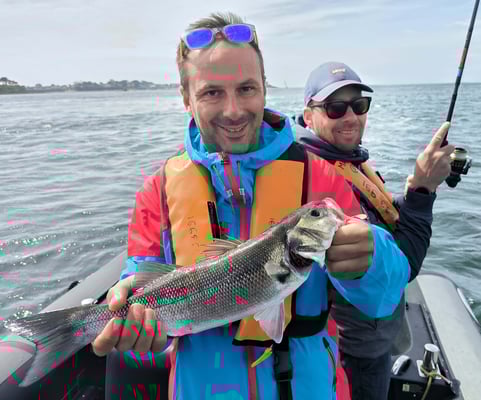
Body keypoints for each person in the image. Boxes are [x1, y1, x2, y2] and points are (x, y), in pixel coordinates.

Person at [91, 14, 411, 400]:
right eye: (212, 93)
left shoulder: (321, 176)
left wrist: (372, 259)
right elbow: (141, 283)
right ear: (186, 98)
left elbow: (382, 299)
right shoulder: (156, 192)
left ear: (264, 87)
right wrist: (134, 325)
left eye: (246, 88)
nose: (233, 110)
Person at [295, 61, 455, 400]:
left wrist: (412, 190)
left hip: (373, 334)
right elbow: (404, 264)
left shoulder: (348, 161)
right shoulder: (319, 179)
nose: (350, 116)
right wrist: (424, 190)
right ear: (308, 117)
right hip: (356, 349)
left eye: (359, 104)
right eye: (335, 108)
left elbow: (380, 218)